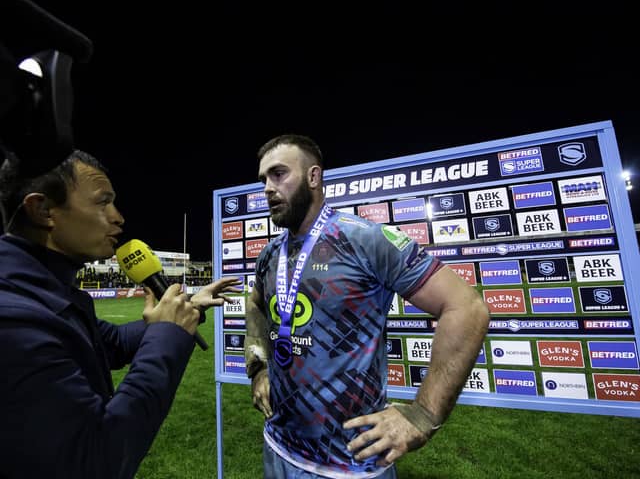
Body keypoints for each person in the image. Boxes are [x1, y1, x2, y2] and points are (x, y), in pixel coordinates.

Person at [245, 134, 490, 478]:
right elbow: (255, 303)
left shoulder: (363, 239)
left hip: (352, 465)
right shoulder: (271, 254)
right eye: (263, 180)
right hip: (279, 450)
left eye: (279, 174)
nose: (268, 188)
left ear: (314, 177)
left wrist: (423, 414)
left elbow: (466, 308)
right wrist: (258, 367)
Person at [0, 149, 243, 478]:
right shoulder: (11, 315)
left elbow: (109, 342)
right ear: (43, 209)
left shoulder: (46, 290)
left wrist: (188, 309)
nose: (118, 217)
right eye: (103, 202)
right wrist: (167, 337)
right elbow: (100, 459)